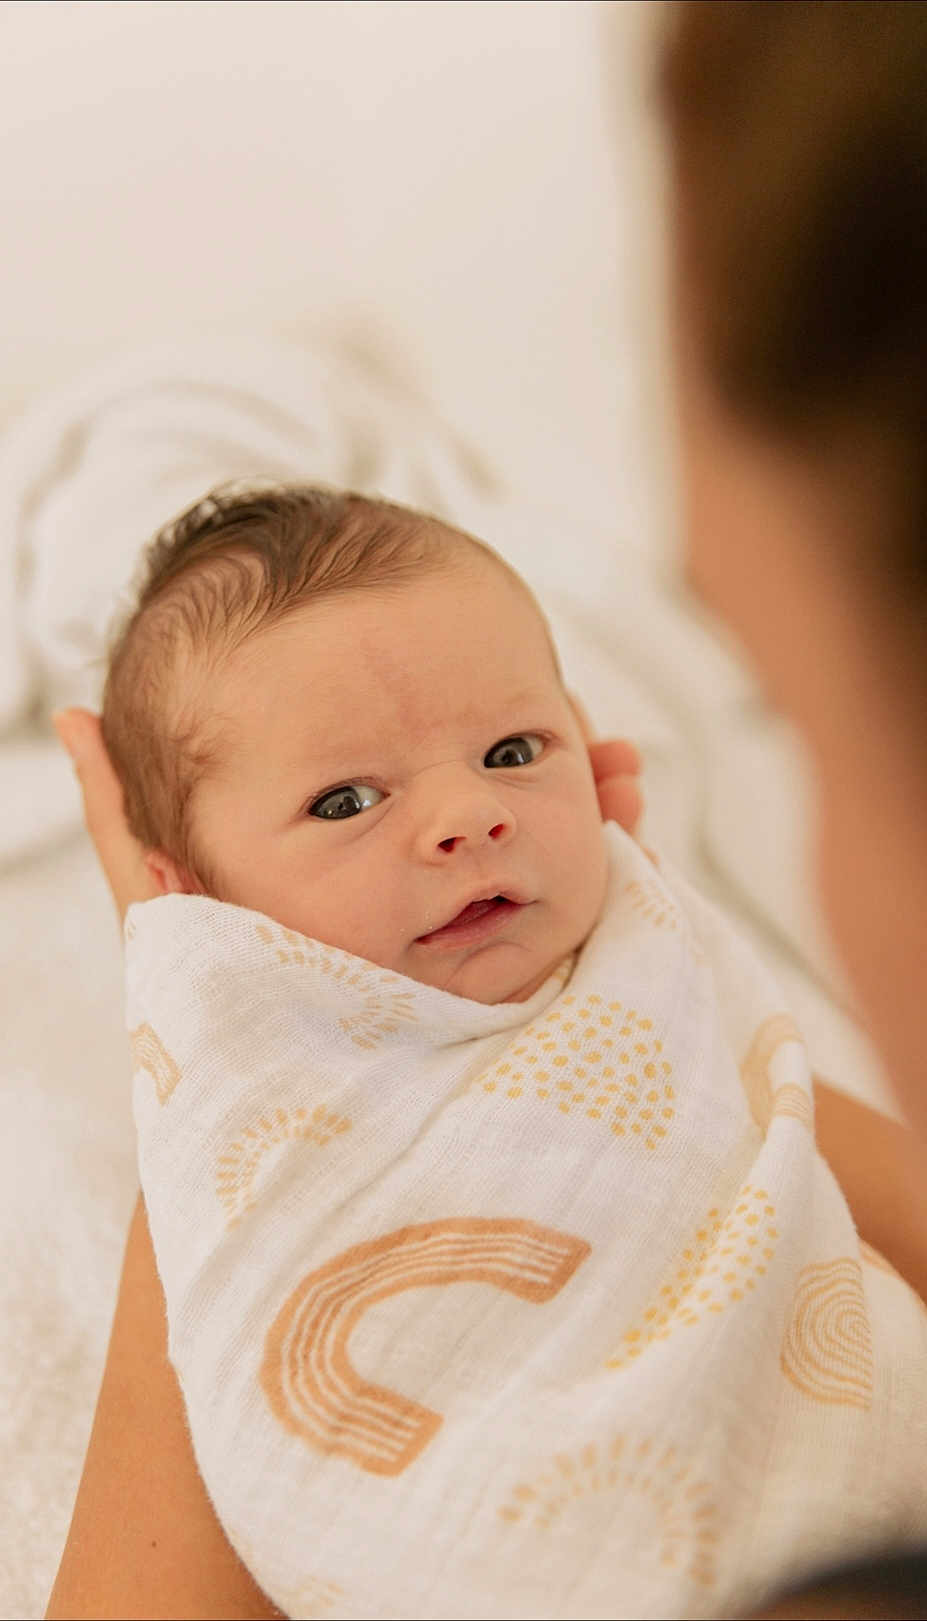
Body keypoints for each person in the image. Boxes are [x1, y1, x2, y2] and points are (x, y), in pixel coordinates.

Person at [48, 2, 927, 1613]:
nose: (461, 821)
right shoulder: (258, 1095)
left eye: (516, 755)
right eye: (344, 798)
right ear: (205, 906)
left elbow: (761, 1127)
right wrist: (210, 1017)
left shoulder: (654, 959)